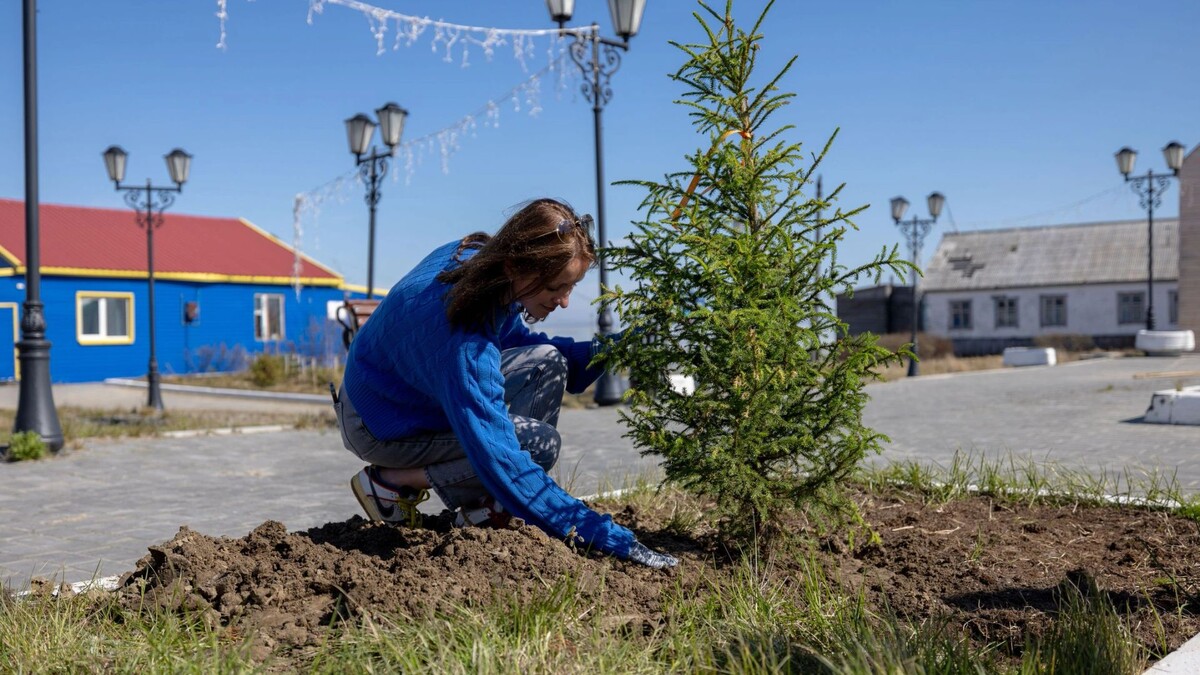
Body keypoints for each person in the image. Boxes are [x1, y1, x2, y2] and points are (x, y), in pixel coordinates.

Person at [334, 197, 677, 569]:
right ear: (519, 266)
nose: (564, 301)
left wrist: (614, 348)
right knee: (537, 444)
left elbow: (519, 342)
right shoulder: (462, 345)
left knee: (548, 361)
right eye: (557, 287)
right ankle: (392, 483)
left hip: (399, 397)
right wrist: (611, 538)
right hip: (380, 425)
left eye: (571, 287)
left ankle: (489, 508)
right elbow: (504, 457)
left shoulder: (480, 264)